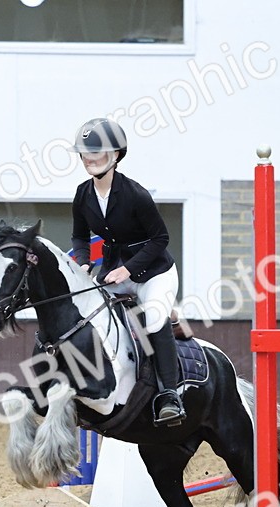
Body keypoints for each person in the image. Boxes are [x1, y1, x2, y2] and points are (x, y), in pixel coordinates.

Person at [69, 117, 185, 426]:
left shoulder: (135, 194)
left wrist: (129, 270)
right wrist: (81, 260)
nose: (90, 159)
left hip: (153, 271)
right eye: (86, 153)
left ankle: (168, 396)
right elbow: (80, 237)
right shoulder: (83, 194)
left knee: (154, 316)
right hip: (111, 269)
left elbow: (161, 238)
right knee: (89, 312)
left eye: (99, 153)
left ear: (117, 155)